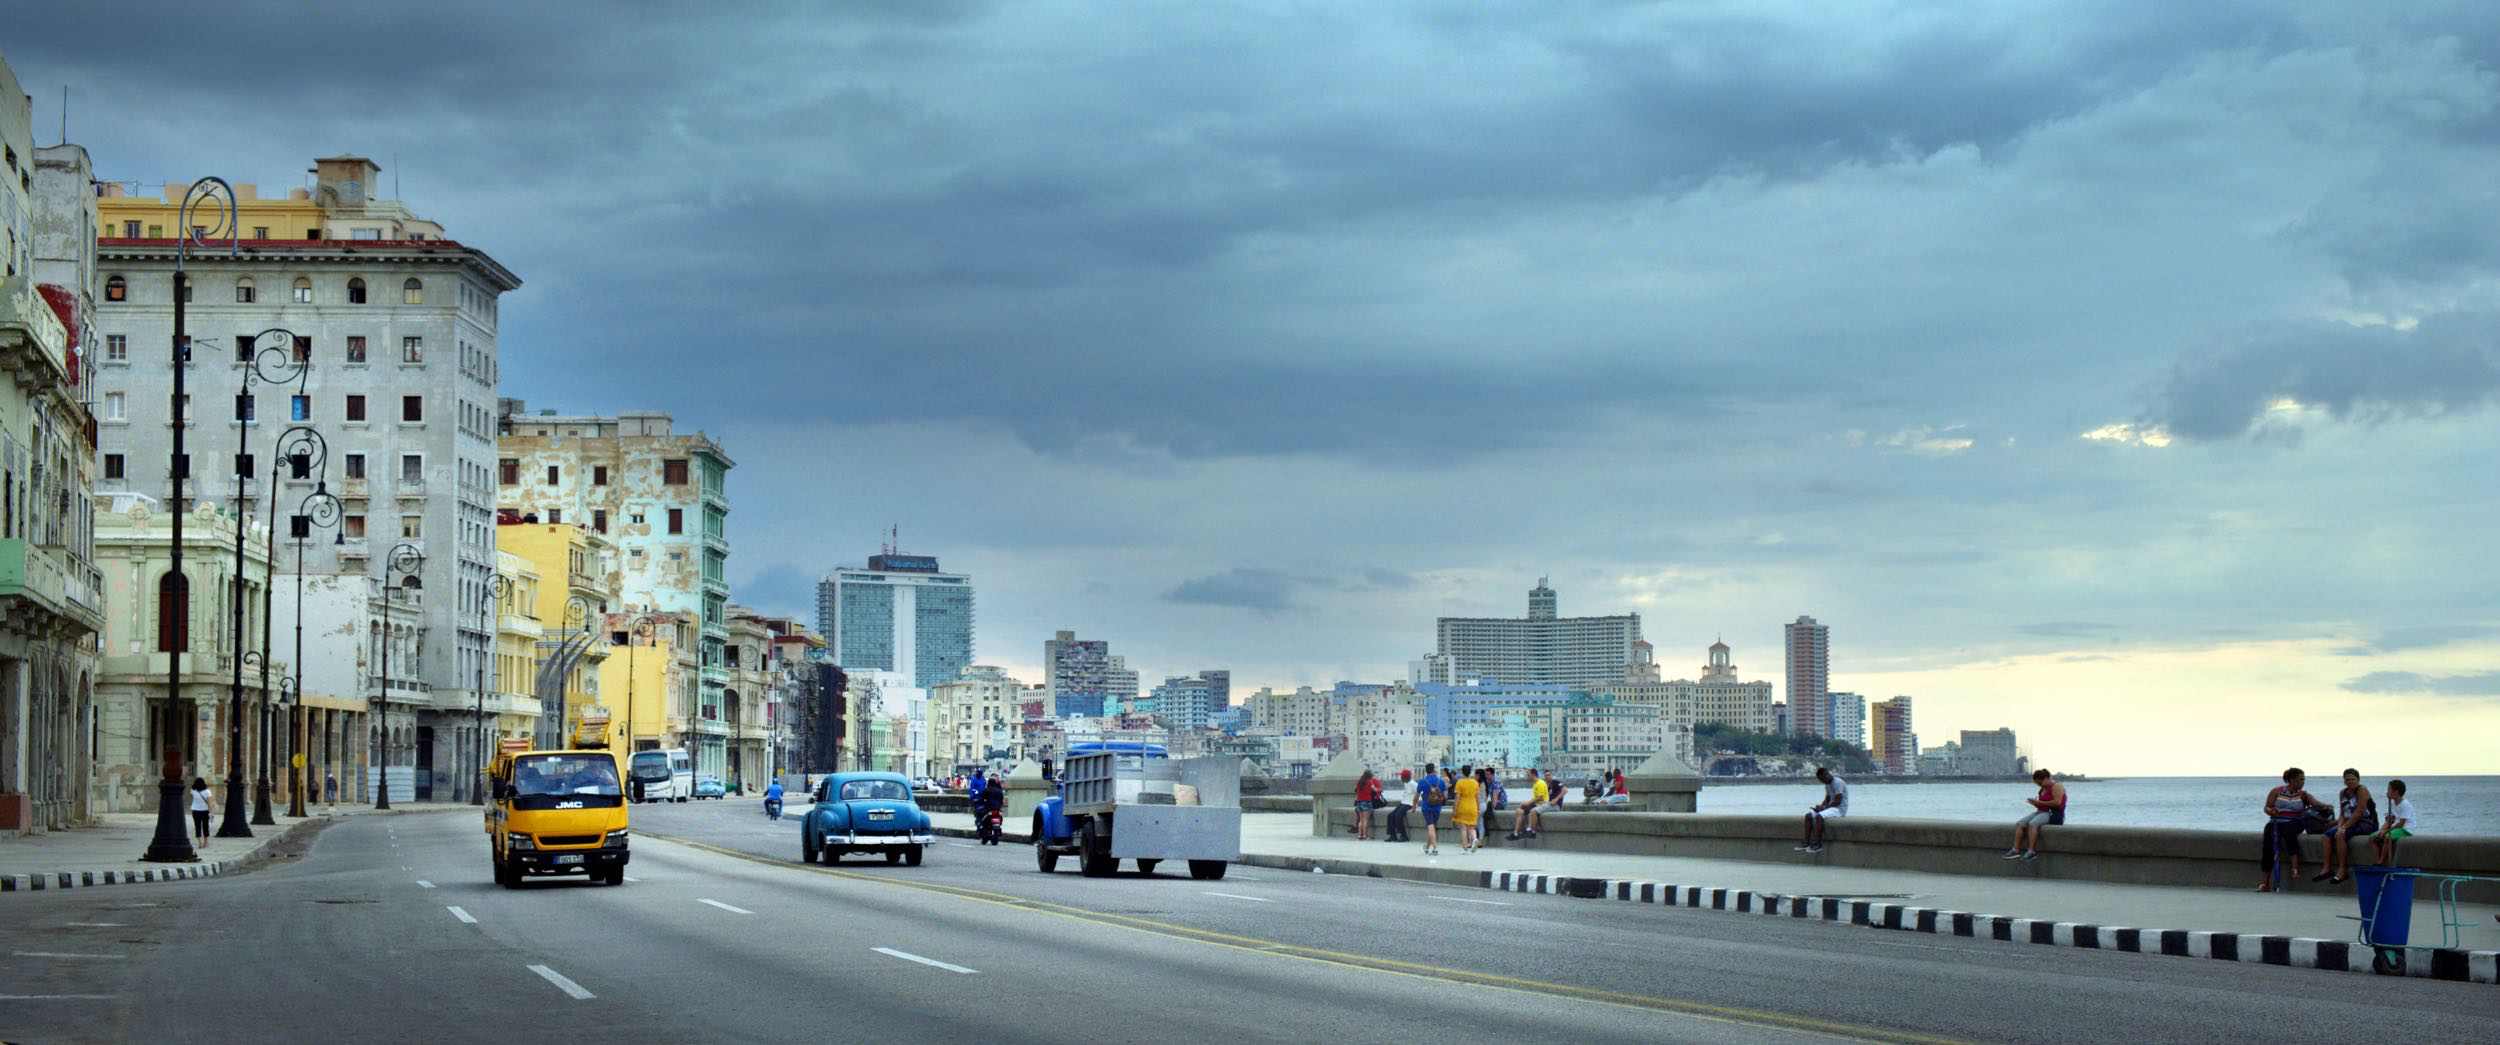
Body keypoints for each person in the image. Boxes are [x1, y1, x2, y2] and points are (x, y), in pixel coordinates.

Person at [2258, 767, 2330, 892]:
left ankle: (2295, 867)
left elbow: (2316, 804)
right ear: (2291, 780)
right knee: (2268, 846)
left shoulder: (2303, 795)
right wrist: (2271, 811)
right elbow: (2267, 807)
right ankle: (2265, 882)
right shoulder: (2276, 791)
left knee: (2289, 832)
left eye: (2303, 779)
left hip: (2295, 822)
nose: (2303, 782)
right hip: (2277, 821)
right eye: (2300, 779)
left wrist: (2326, 806)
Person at [2315, 768, 2378, 885]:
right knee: (2326, 836)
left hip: (2366, 822)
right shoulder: (2343, 793)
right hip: (2350, 822)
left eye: (2353, 779)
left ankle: (2342, 870)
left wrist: (2343, 828)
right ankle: (2326, 868)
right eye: (2347, 779)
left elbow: (2359, 812)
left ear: (2358, 780)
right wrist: (2340, 825)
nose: (2350, 782)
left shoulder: (2362, 790)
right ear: (2344, 781)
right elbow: (2343, 813)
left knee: (2340, 835)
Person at [2005, 768, 2065, 860]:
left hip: (2054, 814)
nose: (2039, 785)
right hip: (2042, 812)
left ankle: (2031, 851)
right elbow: (2042, 805)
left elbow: (2057, 802)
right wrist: (2035, 803)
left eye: (2039, 783)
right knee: (2020, 823)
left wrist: (2039, 802)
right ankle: (2015, 850)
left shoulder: (2057, 786)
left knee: (2033, 824)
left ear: (2046, 779)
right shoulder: (2042, 789)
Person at [1796, 767, 1847, 854]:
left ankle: (1818, 844)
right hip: (1830, 807)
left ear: (1826, 775)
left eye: (1822, 779)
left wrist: (1823, 808)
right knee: (1808, 816)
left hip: (1839, 809)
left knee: (1819, 817)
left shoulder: (1838, 783)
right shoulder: (1827, 784)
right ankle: (1806, 843)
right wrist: (1820, 806)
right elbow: (1827, 799)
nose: (1822, 782)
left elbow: (1837, 801)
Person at [2371, 779, 2413, 866]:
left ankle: (2381, 861)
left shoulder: (2405, 804)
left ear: (2396, 792)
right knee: (2373, 837)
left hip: (2405, 829)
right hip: (2394, 827)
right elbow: (2390, 820)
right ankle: (2376, 859)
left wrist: (2386, 831)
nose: (2387, 791)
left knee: (2387, 837)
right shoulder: (2393, 803)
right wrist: (2382, 829)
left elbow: (2401, 824)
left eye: (2389, 789)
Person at [1416, 763, 1448, 855]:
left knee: (1430, 827)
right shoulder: (1441, 781)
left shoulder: (1422, 781)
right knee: (1432, 827)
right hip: (1437, 807)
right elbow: (1445, 796)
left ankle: (1435, 848)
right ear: (1434, 770)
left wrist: (1414, 806)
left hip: (1426, 806)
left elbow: (1416, 796)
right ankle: (1427, 847)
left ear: (1426, 771)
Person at [1451, 764, 1483, 853]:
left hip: (1463, 807)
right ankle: (1475, 839)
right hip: (1473, 806)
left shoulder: (1460, 782)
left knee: (1463, 828)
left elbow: (1457, 798)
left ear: (1462, 772)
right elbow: (1477, 797)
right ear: (1470, 772)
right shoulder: (1475, 783)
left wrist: (1454, 810)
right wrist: (1478, 808)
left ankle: (1465, 848)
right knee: (1472, 828)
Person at [1383, 769, 1413, 843]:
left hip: (1409, 804)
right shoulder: (1406, 783)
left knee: (1398, 816)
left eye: (1401, 777)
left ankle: (1404, 835)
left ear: (1405, 777)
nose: (1400, 778)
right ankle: (1393, 835)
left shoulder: (1414, 784)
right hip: (1403, 803)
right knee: (1390, 815)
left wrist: (1415, 805)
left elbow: (1419, 794)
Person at [1353, 770, 1381, 841]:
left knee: (1361, 820)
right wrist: (1379, 789)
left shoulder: (1359, 782)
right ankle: (1365, 835)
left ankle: (1359, 835)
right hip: (1366, 802)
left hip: (1359, 802)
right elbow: (1375, 790)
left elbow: (1355, 790)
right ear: (1369, 776)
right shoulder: (1369, 782)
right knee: (1365, 820)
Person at [189, 777, 213, 841]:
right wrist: (210, 812)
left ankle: (200, 842)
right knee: (205, 826)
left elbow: (191, 795)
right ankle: (206, 841)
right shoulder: (207, 791)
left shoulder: (193, 790)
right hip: (205, 811)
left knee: (197, 826)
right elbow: (209, 803)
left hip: (195, 810)